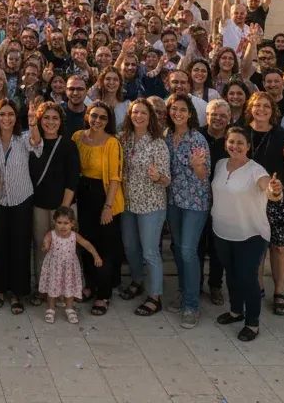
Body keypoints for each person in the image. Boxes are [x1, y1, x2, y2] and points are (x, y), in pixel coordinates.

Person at [211, 127, 284, 342]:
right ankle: (236, 311)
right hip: (222, 231)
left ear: (248, 147)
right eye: (231, 142)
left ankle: (252, 322)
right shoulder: (220, 165)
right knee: (231, 274)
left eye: (240, 143)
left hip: (251, 234)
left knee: (247, 277)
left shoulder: (256, 170)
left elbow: (269, 190)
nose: (235, 146)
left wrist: (274, 189)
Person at [243, 92, 284, 316]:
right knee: (256, 247)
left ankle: (280, 292)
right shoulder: (242, 132)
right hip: (250, 197)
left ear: (272, 110)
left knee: (279, 246)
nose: (261, 110)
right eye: (257, 105)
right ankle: (258, 287)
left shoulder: (282, 135)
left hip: (277, 196)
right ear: (250, 108)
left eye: (266, 106)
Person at [117, 99, 169, 316]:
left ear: (150, 118)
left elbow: (167, 180)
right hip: (128, 203)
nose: (138, 116)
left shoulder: (158, 143)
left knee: (150, 251)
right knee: (130, 247)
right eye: (135, 112)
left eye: (143, 113)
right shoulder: (123, 139)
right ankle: (137, 281)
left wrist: (158, 177)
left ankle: (155, 296)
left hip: (151, 205)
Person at [71, 102, 124, 316]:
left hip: (104, 197)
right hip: (83, 196)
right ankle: (90, 285)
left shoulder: (112, 143)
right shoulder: (77, 137)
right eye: (94, 116)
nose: (98, 121)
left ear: (108, 120)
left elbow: (114, 178)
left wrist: (107, 206)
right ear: (87, 116)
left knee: (104, 248)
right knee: (86, 243)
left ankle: (103, 294)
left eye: (103, 117)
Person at [0, 99, 36, 313]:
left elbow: (38, 145)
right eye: (2, 114)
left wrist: (33, 124)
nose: (6, 118)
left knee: (20, 247)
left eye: (10, 114)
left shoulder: (23, 139)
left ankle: (17, 292)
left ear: (16, 117)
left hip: (22, 199)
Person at [165, 92, 211, 328]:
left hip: (194, 203)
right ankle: (184, 292)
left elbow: (204, 177)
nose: (178, 113)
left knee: (187, 250)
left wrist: (197, 166)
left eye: (183, 110)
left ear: (190, 113)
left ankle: (192, 305)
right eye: (174, 109)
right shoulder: (166, 136)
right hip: (173, 201)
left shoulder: (197, 139)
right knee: (177, 248)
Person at [28, 101, 80, 303]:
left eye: (55, 118)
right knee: (42, 247)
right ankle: (43, 288)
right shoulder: (32, 144)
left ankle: (66, 289)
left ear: (61, 121)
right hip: (39, 205)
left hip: (63, 207)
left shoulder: (68, 144)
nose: (50, 122)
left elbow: (72, 178)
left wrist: (64, 210)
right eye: (46, 118)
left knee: (66, 250)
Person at [39, 205, 102, 325]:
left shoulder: (74, 236)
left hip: (69, 268)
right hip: (54, 267)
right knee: (52, 288)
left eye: (66, 223)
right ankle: (51, 308)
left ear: (72, 223)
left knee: (69, 288)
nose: (63, 226)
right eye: (59, 222)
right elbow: (46, 242)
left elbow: (87, 244)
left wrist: (96, 255)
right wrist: (45, 246)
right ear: (54, 222)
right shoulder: (51, 234)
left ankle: (69, 308)